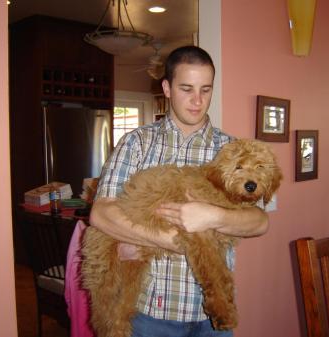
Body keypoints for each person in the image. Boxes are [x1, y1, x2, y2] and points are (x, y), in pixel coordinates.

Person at [90, 45, 269, 337]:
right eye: (186, 89)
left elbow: (260, 221)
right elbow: (101, 213)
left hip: (210, 317)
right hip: (148, 314)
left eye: (206, 90)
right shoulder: (136, 143)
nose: (198, 101)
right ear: (167, 88)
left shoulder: (231, 150)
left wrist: (211, 215)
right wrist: (172, 240)